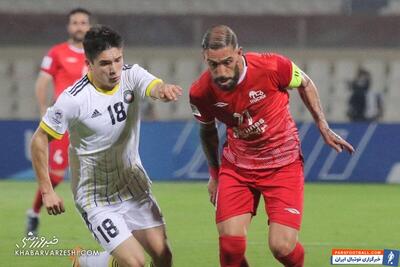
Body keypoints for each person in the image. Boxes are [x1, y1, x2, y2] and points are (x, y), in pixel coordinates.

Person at [189, 25, 355, 267]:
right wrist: (214, 175)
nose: (221, 71)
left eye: (227, 62)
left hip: (283, 164)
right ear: (205, 58)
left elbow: (305, 83)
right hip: (238, 167)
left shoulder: (273, 66)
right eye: (213, 64)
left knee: (282, 247)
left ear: (239, 53)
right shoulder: (200, 92)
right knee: (230, 249)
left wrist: (322, 124)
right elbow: (207, 130)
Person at [30, 25, 182, 267]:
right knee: (135, 263)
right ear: (89, 63)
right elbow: (39, 139)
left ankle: (93, 261)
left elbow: (153, 86)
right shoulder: (73, 99)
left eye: (118, 60)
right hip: (96, 197)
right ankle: (87, 263)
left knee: (164, 257)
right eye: (104, 63)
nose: (114, 69)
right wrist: (47, 191)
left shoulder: (132, 75)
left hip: (134, 187)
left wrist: (163, 90)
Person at [26, 8, 92, 236]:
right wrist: (44, 109)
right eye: (75, 23)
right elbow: (42, 82)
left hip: (91, 123)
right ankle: (34, 213)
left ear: (89, 26)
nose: (79, 27)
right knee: (55, 175)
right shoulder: (57, 53)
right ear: (69, 27)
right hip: (64, 121)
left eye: (83, 22)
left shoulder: (95, 53)